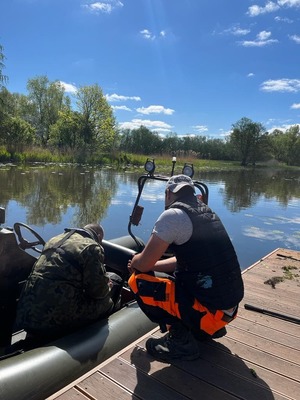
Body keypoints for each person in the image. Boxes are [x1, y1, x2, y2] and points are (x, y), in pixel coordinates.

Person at [128, 174, 244, 362]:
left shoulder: (172, 216)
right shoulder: (207, 212)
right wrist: (154, 264)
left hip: (210, 311)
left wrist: (135, 262)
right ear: (193, 191)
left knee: (138, 280)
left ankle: (181, 342)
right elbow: (182, 260)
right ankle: (203, 330)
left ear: (168, 194)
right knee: (177, 280)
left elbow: (144, 264)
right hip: (227, 310)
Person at [15, 223, 122, 338]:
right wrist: (109, 286)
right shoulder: (92, 247)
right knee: (110, 296)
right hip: (53, 318)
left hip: (26, 313)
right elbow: (98, 292)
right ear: (99, 236)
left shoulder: (54, 239)